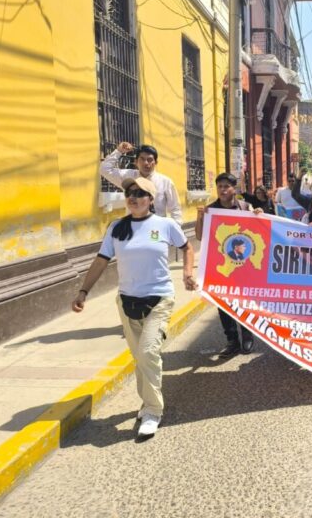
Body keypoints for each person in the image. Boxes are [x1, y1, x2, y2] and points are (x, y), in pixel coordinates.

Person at [71, 177, 197, 439]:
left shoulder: (165, 224)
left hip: (160, 298)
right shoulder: (117, 228)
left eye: (141, 193)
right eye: (130, 193)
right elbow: (100, 261)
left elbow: (187, 249)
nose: (134, 197)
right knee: (140, 356)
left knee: (149, 351)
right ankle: (147, 403)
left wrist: (187, 273)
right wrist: (84, 291)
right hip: (127, 300)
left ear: (151, 200)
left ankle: (152, 411)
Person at [195, 173, 260, 358]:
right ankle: (232, 340)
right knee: (224, 304)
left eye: (226, 186)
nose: (223, 190)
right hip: (221, 267)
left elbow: (258, 231)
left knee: (245, 302)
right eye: (220, 186)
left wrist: (258, 215)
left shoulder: (246, 207)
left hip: (244, 265)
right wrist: (200, 218)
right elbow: (200, 236)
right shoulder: (210, 210)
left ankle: (247, 335)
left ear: (234, 188)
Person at [100, 142, 183, 224]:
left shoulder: (166, 182)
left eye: (150, 160)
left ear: (156, 162)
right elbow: (105, 169)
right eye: (142, 159)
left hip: (157, 231)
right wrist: (119, 151)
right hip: (133, 229)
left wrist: (175, 230)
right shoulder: (128, 176)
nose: (146, 163)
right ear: (136, 162)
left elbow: (175, 209)